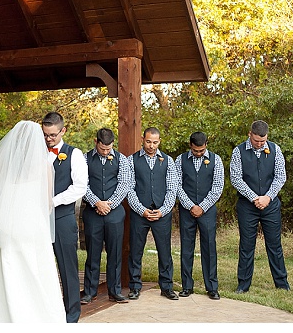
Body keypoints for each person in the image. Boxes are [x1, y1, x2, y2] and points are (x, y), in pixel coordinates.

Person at [0, 120, 65, 323]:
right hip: (32, 224)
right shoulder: (44, 166)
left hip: (5, 222)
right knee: (34, 269)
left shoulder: (0, 163)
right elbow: (46, 203)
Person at [230, 120, 289, 293]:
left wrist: (268, 197)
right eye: (257, 141)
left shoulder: (275, 150)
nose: (260, 144)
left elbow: (280, 177)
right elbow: (236, 179)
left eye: (263, 141)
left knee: (275, 245)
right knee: (247, 245)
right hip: (247, 206)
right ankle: (243, 285)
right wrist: (255, 198)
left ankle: (282, 284)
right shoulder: (238, 152)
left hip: (270, 205)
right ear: (250, 134)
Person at [41, 112, 87, 322]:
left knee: (67, 267)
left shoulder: (74, 154)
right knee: (41, 266)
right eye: (45, 135)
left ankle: (72, 315)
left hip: (62, 219)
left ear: (63, 131)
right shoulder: (37, 152)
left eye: (52, 135)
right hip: (38, 221)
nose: (48, 139)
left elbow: (79, 188)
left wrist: (53, 201)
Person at [126, 127, 179, 301]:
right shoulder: (131, 160)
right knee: (135, 251)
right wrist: (142, 210)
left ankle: (166, 287)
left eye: (155, 142)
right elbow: (129, 189)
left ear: (159, 141)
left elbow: (172, 189)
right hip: (139, 214)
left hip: (161, 214)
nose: (151, 145)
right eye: (148, 141)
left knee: (165, 252)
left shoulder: (168, 161)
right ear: (143, 139)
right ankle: (134, 287)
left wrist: (163, 210)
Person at [81, 128, 131, 305]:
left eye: (108, 149)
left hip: (114, 213)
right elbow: (82, 184)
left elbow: (124, 184)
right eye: (102, 149)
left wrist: (109, 204)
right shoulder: (85, 159)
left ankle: (115, 291)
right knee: (93, 253)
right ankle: (89, 292)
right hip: (93, 212)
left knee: (115, 253)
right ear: (96, 142)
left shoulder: (122, 160)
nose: (105, 152)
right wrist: (97, 203)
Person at [175, 131, 224, 300]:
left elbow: (217, 187)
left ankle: (212, 287)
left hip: (207, 210)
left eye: (201, 150)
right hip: (186, 210)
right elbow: (177, 186)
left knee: (209, 248)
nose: (198, 153)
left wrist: (202, 207)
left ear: (206, 145)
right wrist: (190, 206)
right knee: (186, 248)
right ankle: (187, 286)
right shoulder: (180, 160)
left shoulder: (216, 160)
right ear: (191, 146)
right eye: (196, 151)